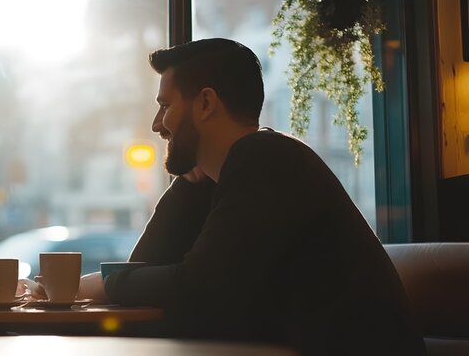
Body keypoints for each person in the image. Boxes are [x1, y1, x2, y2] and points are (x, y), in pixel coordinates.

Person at [91, 38, 425, 355]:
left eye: (165, 106)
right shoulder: (228, 174)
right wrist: (188, 183)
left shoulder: (267, 159)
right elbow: (147, 272)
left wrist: (108, 284)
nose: (156, 124)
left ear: (205, 103)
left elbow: (196, 290)